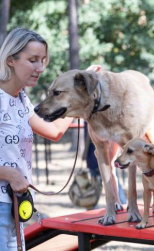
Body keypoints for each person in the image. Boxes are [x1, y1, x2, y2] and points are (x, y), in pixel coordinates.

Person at [0, 28, 73, 251]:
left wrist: (78, 100)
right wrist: (9, 173)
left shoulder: (21, 99)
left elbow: (55, 131)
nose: (40, 68)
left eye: (42, 61)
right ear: (10, 59)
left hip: (14, 205)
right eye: (33, 60)